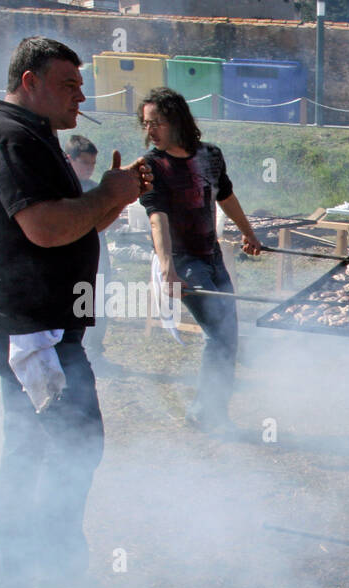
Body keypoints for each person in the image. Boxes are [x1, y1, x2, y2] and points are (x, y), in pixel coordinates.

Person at [0, 36, 149, 588]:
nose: (81, 93)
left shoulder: (30, 137)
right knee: (73, 442)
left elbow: (73, 226)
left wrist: (116, 197)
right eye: (69, 83)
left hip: (32, 319)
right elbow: (45, 228)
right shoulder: (10, 137)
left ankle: (21, 565)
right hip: (28, 323)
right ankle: (56, 566)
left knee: (33, 443)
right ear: (29, 82)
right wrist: (108, 193)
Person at [140, 87, 262, 434]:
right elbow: (156, 216)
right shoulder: (153, 165)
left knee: (228, 336)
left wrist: (248, 233)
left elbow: (225, 195)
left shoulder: (210, 155)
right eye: (146, 124)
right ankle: (209, 413)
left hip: (212, 258)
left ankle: (207, 410)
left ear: (176, 121)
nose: (150, 131)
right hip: (183, 262)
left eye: (156, 123)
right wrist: (167, 268)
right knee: (219, 334)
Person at [64, 134, 114, 366]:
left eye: (93, 163)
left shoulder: (95, 188)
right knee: (77, 309)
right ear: (69, 159)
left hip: (98, 258)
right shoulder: (61, 189)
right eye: (85, 163)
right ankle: (79, 356)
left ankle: (94, 352)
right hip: (73, 262)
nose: (90, 168)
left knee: (100, 305)